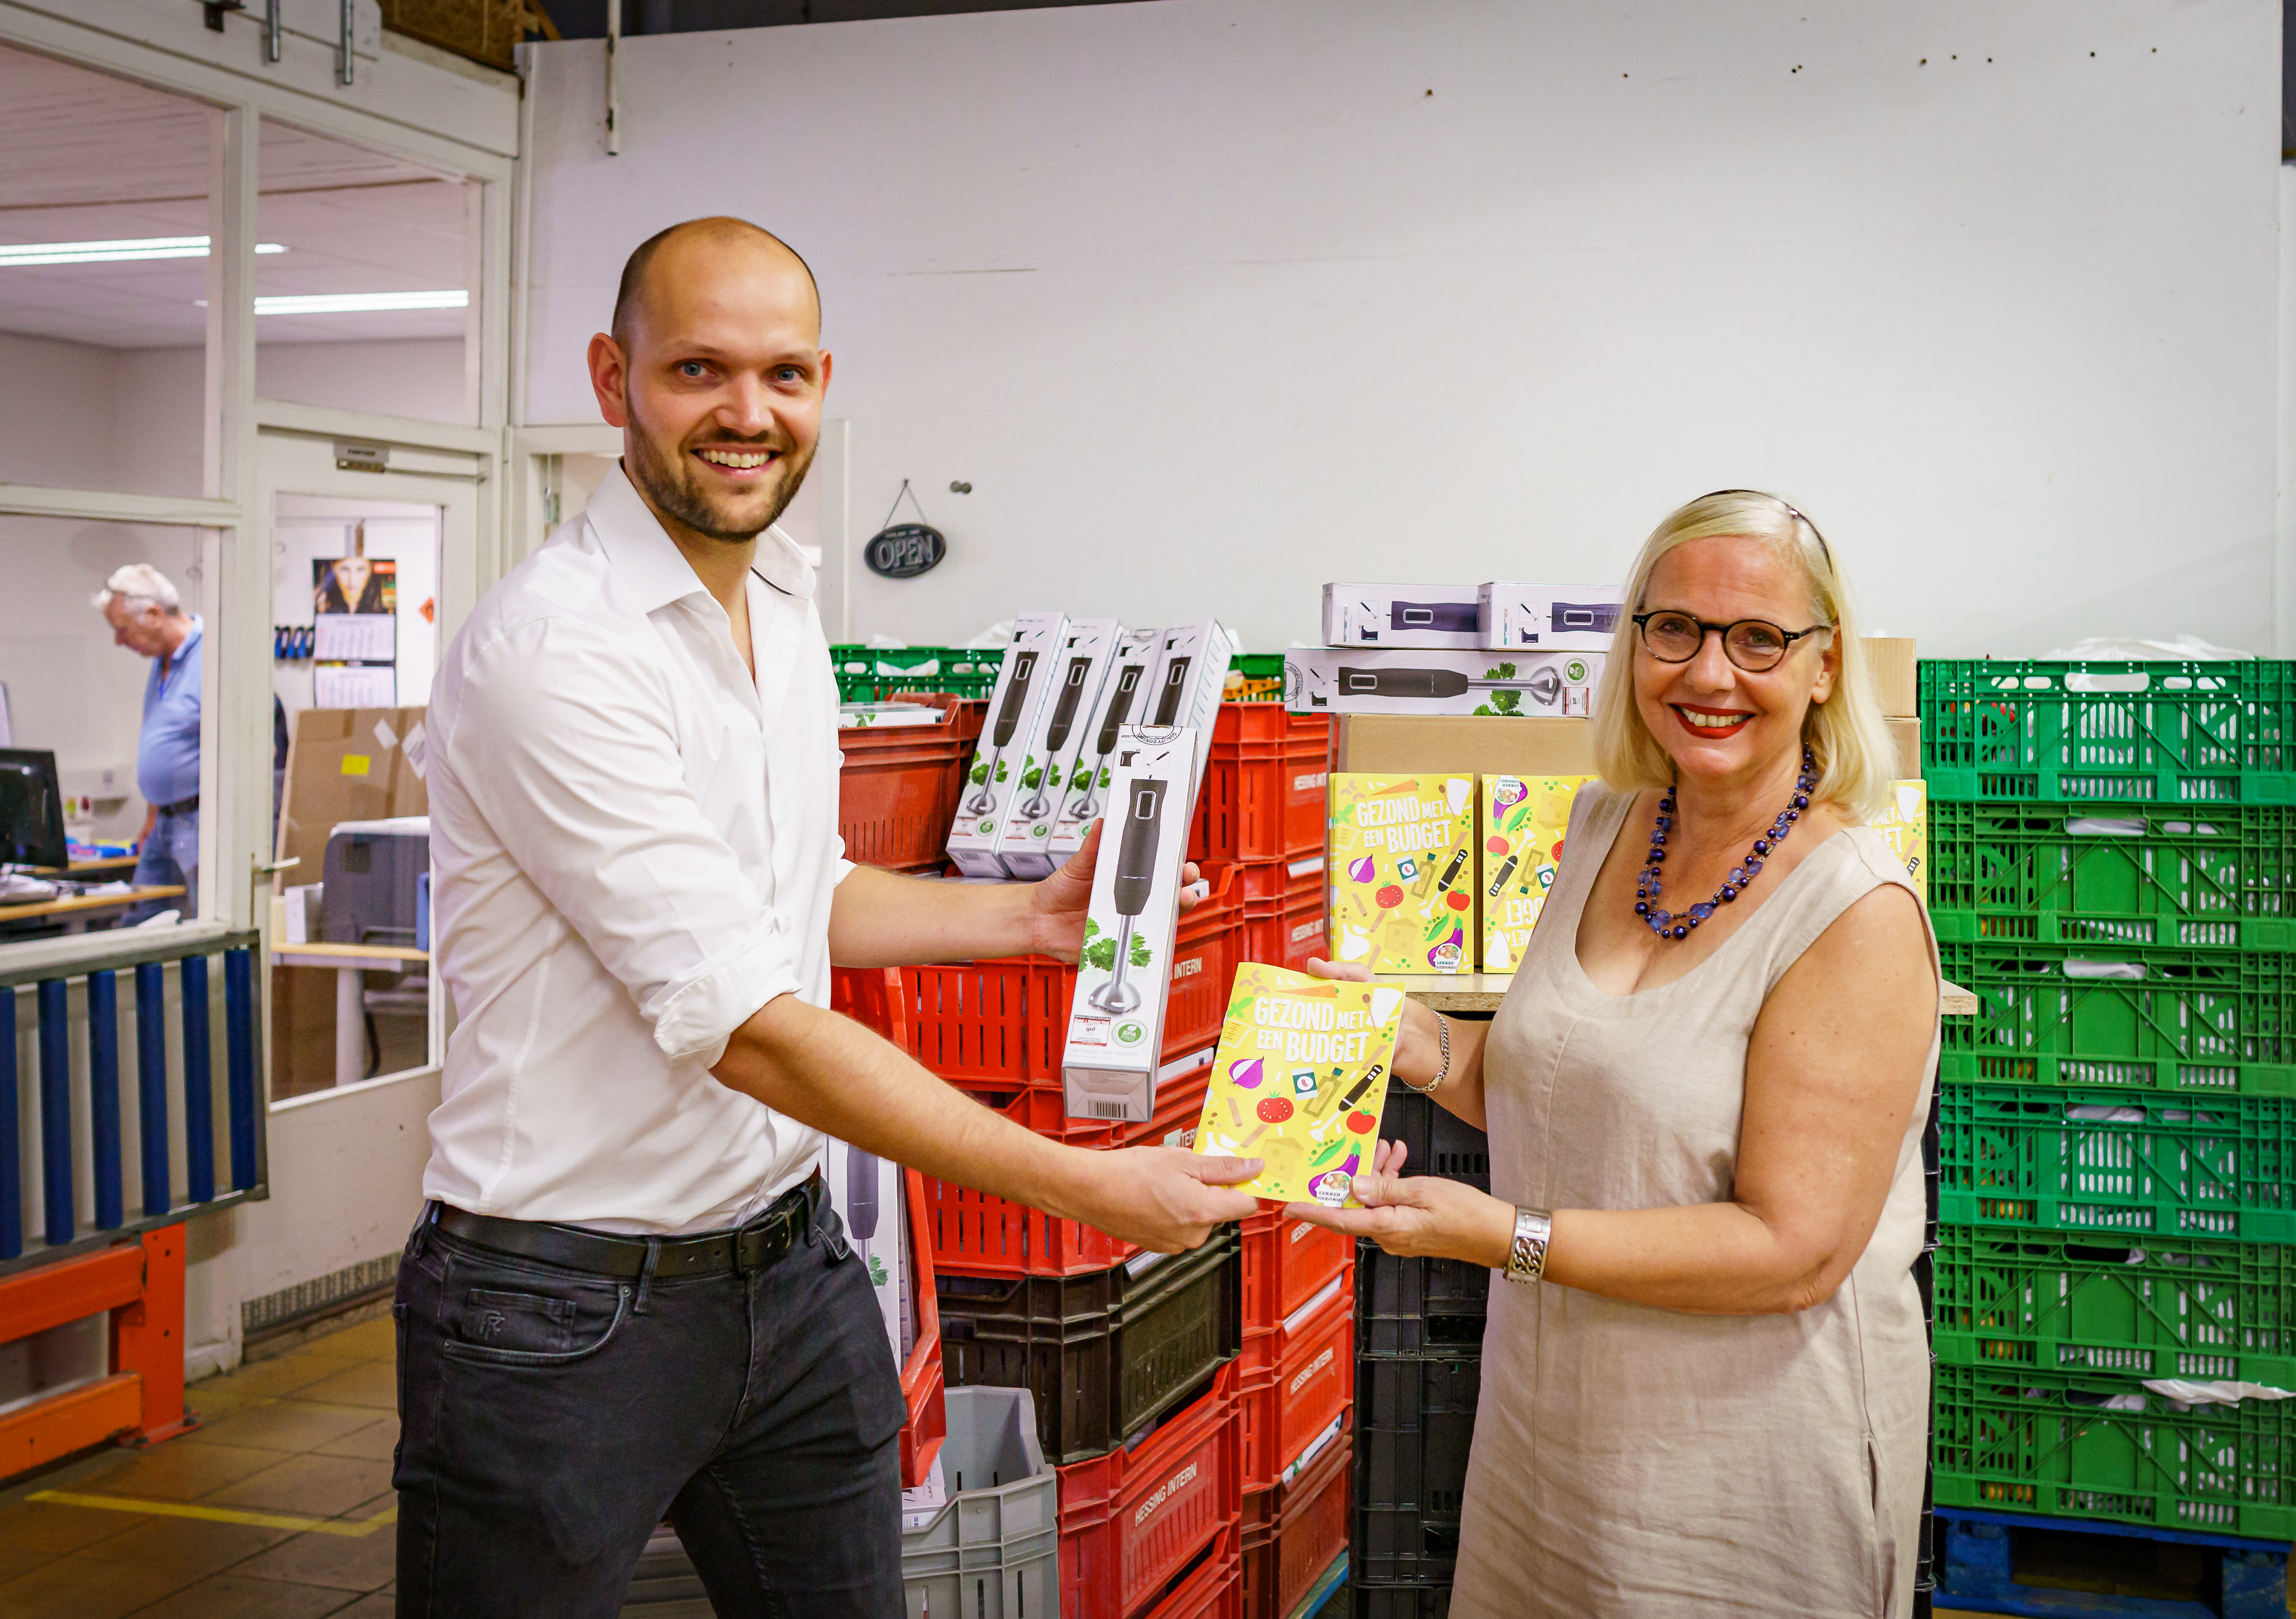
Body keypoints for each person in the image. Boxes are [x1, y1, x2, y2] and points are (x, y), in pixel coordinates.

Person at [394, 216, 1261, 1618]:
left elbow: (794, 899)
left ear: (823, 383)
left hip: (787, 1264)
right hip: (557, 1302)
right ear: (614, 379)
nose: (749, 415)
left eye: (784, 375)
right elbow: (750, 1026)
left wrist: (1024, 922)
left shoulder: (785, 607)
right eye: (698, 370)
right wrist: (1083, 1184)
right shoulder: (555, 653)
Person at [1291, 491, 1939, 1618]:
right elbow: (1560, 1087)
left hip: (1738, 1466)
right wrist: (1413, 1038)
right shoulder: (1605, 826)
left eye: (1757, 639)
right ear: (1633, 642)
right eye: (1673, 627)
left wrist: (1505, 1236)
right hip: (1553, 1436)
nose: (1707, 673)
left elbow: (1791, 1250)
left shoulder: (1855, 913)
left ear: (1824, 666)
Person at [94, 563, 201, 921]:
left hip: (200, 820)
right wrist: (153, 812)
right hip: (163, 821)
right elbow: (169, 744)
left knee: (212, 927)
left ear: (155, 615)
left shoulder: (214, 656)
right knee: (140, 928)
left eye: (123, 629)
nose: (118, 641)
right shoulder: (163, 660)